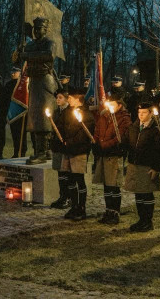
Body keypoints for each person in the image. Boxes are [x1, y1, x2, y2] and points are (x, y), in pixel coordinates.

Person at [124, 101, 160, 232]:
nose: (140, 115)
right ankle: (141, 219)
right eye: (139, 113)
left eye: (144, 113)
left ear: (150, 114)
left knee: (146, 194)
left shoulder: (156, 129)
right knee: (138, 193)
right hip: (135, 164)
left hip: (147, 165)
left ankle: (147, 221)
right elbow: (128, 142)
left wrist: (156, 167)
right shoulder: (134, 127)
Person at [21, 17, 59, 164]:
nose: (36, 32)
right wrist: (21, 52)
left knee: (44, 117)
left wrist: (27, 55)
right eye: (35, 29)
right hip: (35, 82)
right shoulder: (30, 45)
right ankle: (40, 150)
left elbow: (48, 55)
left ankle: (44, 151)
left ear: (45, 29)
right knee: (36, 117)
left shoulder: (50, 43)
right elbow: (20, 57)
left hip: (45, 82)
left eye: (39, 29)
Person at [93, 93, 131, 225]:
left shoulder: (124, 119)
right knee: (106, 185)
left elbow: (120, 137)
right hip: (103, 154)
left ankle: (115, 212)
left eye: (113, 104)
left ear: (119, 105)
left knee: (113, 185)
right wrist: (97, 142)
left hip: (114, 154)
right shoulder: (104, 116)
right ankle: (108, 210)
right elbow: (97, 131)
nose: (109, 107)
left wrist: (104, 145)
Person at [59, 88, 94, 220]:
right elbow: (60, 125)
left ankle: (82, 208)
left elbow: (84, 134)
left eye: (71, 98)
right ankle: (74, 206)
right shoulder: (67, 112)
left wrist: (70, 142)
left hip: (79, 150)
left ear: (78, 100)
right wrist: (62, 140)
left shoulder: (87, 115)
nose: (68, 100)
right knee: (70, 180)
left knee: (79, 179)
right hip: (67, 150)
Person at [48, 89, 73, 210]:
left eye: (60, 98)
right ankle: (62, 196)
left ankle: (68, 197)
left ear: (67, 99)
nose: (57, 100)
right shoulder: (56, 111)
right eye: (57, 98)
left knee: (66, 172)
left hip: (65, 146)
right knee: (60, 172)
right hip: (57, 145)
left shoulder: (70, 111)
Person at [4, 67, 27, 157]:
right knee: (14, 134)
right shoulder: (8, 84)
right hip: (11, 112)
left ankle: (23, 152)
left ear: (20, 73)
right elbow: (5, 99)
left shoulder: (23, 85)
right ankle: (16, 151)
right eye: (12, 72)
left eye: (15, 72)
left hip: (22, 114)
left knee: (22, 134)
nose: (13, 74)